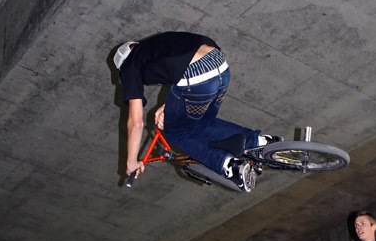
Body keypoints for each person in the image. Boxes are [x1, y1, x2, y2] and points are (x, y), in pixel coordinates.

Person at [113, 32, 280, 191]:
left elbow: (135, 123)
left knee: (175, 133)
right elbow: (194, 56)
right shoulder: (159, 44)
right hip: (220, 67)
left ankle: (229, 165)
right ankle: (260, 142)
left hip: (197, 77)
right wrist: (171, 105)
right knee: (202, 124)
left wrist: (131, 162)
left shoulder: (129, 65)